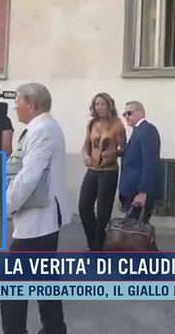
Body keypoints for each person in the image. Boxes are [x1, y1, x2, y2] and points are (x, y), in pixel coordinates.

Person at [2, 83, 68, 334]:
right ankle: (55, 328)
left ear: (31, 104)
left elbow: (28, 178)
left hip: (38, 220)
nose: (15, 107)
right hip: (41, 218)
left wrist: (5, 207)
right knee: (44, 278)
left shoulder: (43, 131)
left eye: (17, 102)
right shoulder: (42, 128)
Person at [79, 93, 126, 251]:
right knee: (84, 207)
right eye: (97, 104)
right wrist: (86, 156)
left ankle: (99, 247)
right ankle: (93, 244)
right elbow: (86, 144)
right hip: (92, 170)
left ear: (109, 106)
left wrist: (114, 153)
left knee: (103, 212)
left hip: (108, 172)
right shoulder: (92, 123)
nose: (99, 107)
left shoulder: (117, 125)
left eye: (102, 104)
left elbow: (124, 149)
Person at [118, 101, 162, 223]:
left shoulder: (147, 130)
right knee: (131, 228)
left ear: (141, 113)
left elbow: (150, 163)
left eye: (129, 113)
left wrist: (143, 192)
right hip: (131, 191)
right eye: (124, 114)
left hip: (138, 192)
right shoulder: (137, 131)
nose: (126, 117)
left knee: (136, 229)